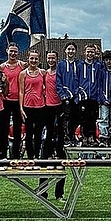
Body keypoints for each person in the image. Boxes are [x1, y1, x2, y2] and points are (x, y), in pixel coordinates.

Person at [43, 50, 65, 200]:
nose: (51, 60)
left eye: (53, 58)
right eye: (49, 58)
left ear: (57, 59)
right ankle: (43, 192)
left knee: (61, 155)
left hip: (60, 106)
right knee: (45, 154)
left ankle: (59, 193)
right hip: (47, 107)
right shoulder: (44, 73)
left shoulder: (61, 71)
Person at [0, 43, 27, 159]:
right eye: (11, 51)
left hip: (18, 101)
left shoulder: (22, 65)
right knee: (3, 128)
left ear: (18, 52)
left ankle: (16, 155)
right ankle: (3, 154)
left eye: (15, 51)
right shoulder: (1, 67)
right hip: (5, 100)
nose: (13, 53)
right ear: (7, 51)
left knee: (17, 129)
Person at [19, 50, 46, 159]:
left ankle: (37, 155)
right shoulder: (23, 73)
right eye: (32, 58)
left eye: (36, 58)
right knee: (29, 133)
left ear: (38, 60)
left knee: (38, 133)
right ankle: (30, 157)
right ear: (28, 59)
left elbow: (46, 88)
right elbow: (21, 91)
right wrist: (21, 107)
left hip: (40, 106)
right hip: (27, 106)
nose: (34, 61)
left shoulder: (42, 72)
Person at [76, 44, 102, 146]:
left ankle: (92, 137)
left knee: (93, 117)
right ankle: (84, 137)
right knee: (84, 118)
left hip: (94, 96)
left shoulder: (98, 65)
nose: (90, 54)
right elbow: (76, 80)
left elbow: (100, 80)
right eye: (88, 52)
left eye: (92, 52)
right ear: (84, 52)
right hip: (83, 96)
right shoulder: (79, 65)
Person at [56, 42, 79, 147]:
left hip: (76, 96)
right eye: (69, 49)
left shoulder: (79, 64)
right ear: (65, 51)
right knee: (67, 117)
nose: (71, 51)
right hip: (65, 96)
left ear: (76, 51)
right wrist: (62, 94)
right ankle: (66, 137)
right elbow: (58, 81)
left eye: (73, 49)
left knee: (76, 117)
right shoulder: (61, 64)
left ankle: (73, 136)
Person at [98, 50, 111, 147]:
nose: (108, 61)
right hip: (103, 100)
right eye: (106, 60)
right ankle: (103, 137)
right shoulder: (102, 72)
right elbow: (99, 86)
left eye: (110, 59)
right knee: (104, 118)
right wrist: (103, 99)